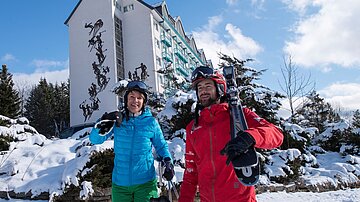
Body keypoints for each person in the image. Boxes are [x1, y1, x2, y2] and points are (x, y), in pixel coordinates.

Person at [178, 66, 284, 202]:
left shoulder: (239, 115)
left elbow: (277, 135)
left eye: (208, 86)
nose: (203, 91)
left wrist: (251, 136)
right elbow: (191, 174)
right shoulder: (193, 127)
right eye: (199, 88)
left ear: (220, 88)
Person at [89, 80, 175, 202]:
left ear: (144, 101)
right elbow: (95, 140)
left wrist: (168, 162)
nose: (135, 101)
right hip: (120, 185)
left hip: (145, 183)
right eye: (131, 97)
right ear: (126, 100)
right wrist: (104, 121)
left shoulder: (151, 122)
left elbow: (161, 146)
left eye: (139, 98)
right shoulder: (118, 120)